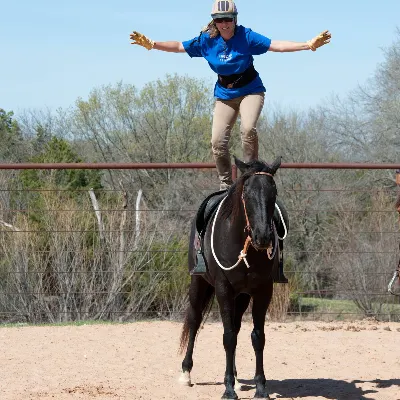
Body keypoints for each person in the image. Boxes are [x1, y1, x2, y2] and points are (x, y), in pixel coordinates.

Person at [130, 0, 331, 190]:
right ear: (214, 21)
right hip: (225, 95)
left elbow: (276, 45)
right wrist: (153, 44)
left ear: (235, 19)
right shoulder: (207, 40)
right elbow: (179, 46)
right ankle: (226, 184)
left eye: (228, 19)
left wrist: (307, 45)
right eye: (219, 20)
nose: (224, 24)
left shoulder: (246, 36)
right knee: (217, 141)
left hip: (250, 91)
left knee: (248, 129)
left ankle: (250, 174)